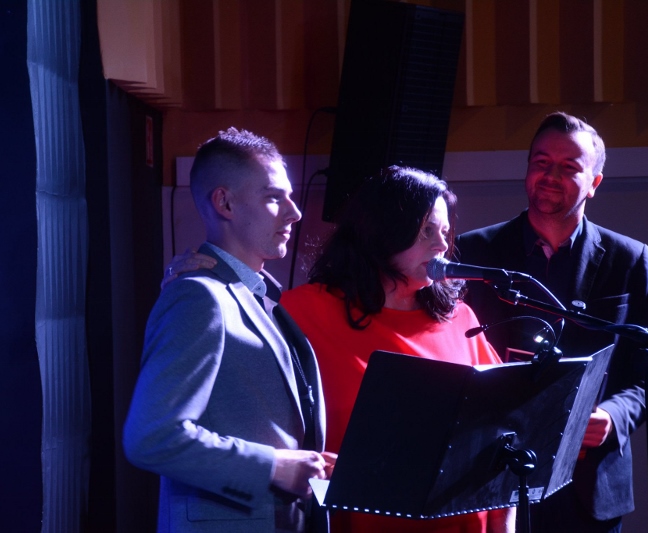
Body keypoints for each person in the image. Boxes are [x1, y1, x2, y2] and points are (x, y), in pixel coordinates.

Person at [166, 166, 515, 533]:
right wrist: (194, 282)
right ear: (383, 231)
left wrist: (503, 527)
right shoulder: (302, 311)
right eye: (427, 230)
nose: (442, 245)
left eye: (445, 232)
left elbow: (504, 430)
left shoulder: (461, 319)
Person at [456, 111, 648, 532]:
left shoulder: (629, 259)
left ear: (594, 183)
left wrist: (613, 416)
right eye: (541, 162)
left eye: (569, 167)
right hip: (490, 477)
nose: (550, 176)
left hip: (588, 487)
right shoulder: (474, 252)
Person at [124, 128, 335, 533]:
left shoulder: (259, 295)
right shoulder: (198, 296)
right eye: (274, 197)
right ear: (224, 203)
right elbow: (152, 437)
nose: (295, 212)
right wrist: (272, 466)